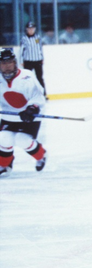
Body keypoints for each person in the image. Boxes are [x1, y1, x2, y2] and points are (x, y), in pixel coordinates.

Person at [0, 48, 47, 177]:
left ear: (15, 63)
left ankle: (41, 155)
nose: (7, 66)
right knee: (3, 138)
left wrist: (32, 109)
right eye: (3, 63)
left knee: (22, 140)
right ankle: (5, 165)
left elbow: (38, 96)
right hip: (8, 115)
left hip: (29, 116)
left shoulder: (27, 76)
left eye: (9, 62)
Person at [20, 22, 46, 98]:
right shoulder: (24, 38)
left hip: (37, 60)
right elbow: (22, 50)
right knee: (27, 79)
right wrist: (21, 61)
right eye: (29, 29)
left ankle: (43, 94)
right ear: (26, 30)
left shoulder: (38, 37)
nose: (31, 30)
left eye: (32, 29)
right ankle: (26, 94)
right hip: (28, 61)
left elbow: (40, 48)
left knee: (40, 78)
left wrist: (42, 58)